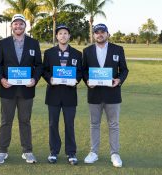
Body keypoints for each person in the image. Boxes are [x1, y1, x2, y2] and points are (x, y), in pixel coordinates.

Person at [0, 14, 42, 164]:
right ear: (11, 26)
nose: (18, 26)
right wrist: (1, 79)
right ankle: (2, 151)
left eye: (21, 24)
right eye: (15, 24)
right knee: (6, 121)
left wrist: (34, 79)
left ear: (25, 26)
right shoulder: (3, 43)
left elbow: (39, 65)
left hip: (26, 90)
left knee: (25, 121)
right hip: (8, 89)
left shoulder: (33, 43)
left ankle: (27, 151)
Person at [82, 23, 129, 167]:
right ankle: (94, 152)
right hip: (94, 94)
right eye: (97, 32)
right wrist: (87, 81)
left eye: (103, 32)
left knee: (113, 125)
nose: (100, 34)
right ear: (94, 34)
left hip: (112, 94)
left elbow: (124, 70)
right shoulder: (87, 50)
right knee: (94, 124)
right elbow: (83, 70)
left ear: (108, 34)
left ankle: (115, 154)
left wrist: (119, 80)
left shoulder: (118, 49)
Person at [42, 25, 82, 165]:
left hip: (70, 95)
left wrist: (76, 80)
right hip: (53, 94)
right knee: (53, 124)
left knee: (69, 124)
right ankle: (54, 151)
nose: (63, 36)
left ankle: (71, 153)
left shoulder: (77, 54)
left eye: (66, 33)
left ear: (69, 36)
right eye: (60, 33)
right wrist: (50, 79)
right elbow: (44, 70)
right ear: (57, 36)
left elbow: (80, 72)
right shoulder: (49, 53)